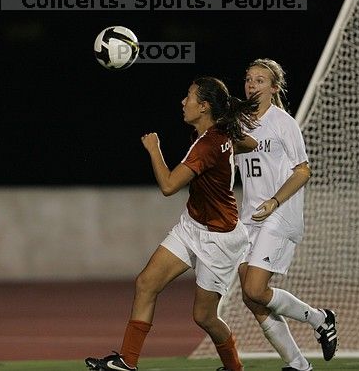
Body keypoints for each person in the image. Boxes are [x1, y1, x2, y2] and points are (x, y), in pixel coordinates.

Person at [86, 77, 259, 371]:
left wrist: (154, 148)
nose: (183, 101)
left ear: (204, 107)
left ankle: (235, 368)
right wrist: (228, 141)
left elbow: (168, 186)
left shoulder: (206, 144)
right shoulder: (214, 135)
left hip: (220, 238)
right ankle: (127, 362)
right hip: (192, 226)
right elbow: (250, 143)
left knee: (204, 317)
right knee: (146, 283)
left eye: (189, 97)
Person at [234, 59, 338, 371]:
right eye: (249, 79)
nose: (252, 85)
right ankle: (298, 362)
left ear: (274, 88)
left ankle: (319, 319)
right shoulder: (238, 123)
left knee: (255, 289)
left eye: (260, 80)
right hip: (250, 216)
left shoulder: (283, 122)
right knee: (252, 297)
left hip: (281, 213)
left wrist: (275, 202)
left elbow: (303, 171)